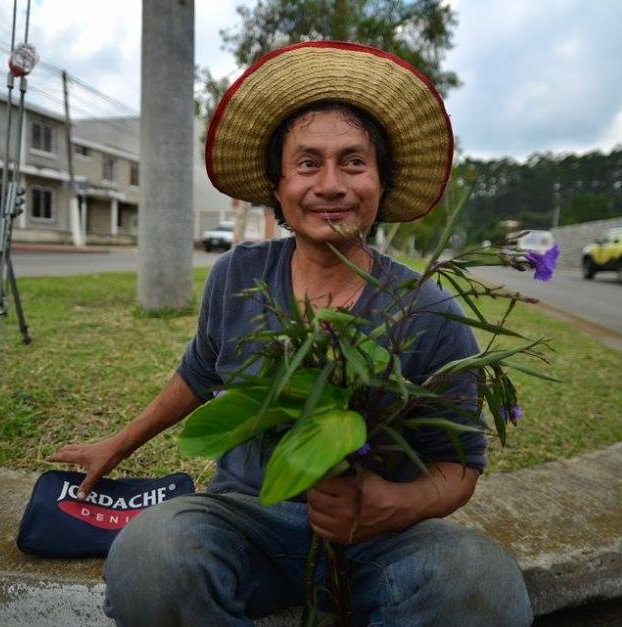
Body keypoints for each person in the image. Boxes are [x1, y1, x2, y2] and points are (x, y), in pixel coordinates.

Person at [50, 41, 533, 626]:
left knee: (483, 585)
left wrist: (392, 505)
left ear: (381, 183)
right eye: (308, 164)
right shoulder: (239, 276)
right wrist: (118, 445)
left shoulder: (428, 309)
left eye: (353, 162)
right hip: (246, 520)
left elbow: (462, 466)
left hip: (380, 545)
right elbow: (199, 375)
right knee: (152, 557)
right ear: (278, 187)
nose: (330, 185)